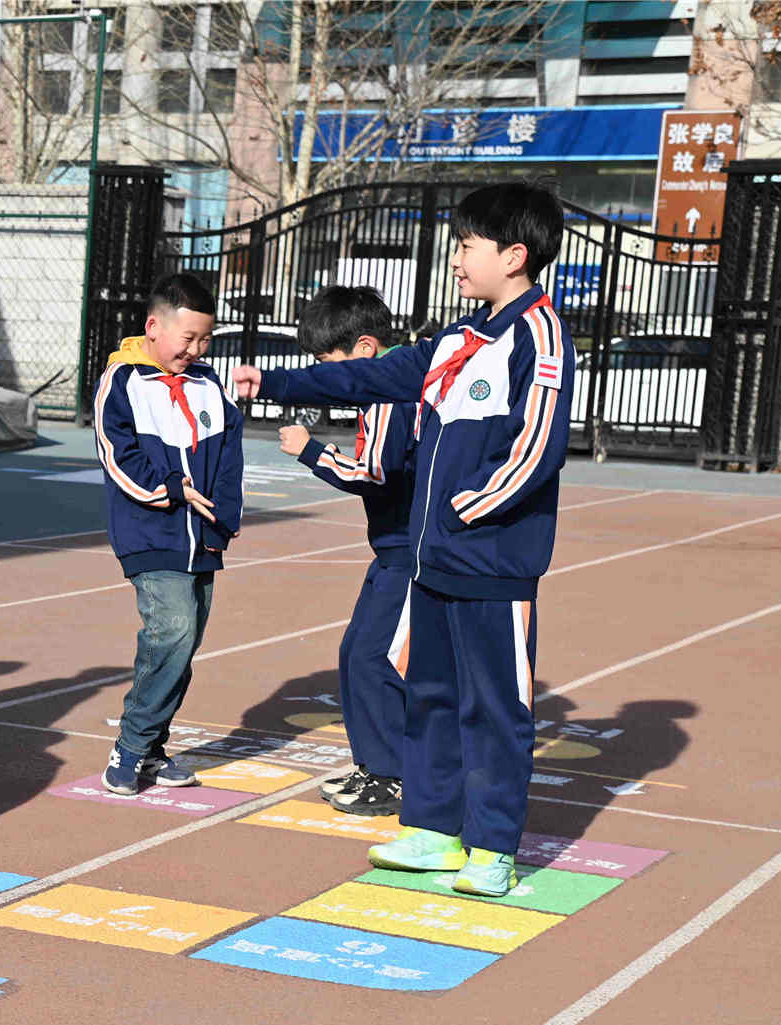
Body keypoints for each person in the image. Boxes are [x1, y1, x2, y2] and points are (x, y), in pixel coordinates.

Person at [234, 182, 573, 898]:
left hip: (490, 563)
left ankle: (491, 846)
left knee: (496, 707)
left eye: (466, 246)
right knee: (431, 698)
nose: (455, 259)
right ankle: (431, 829)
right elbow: (369, 375)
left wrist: (467, 508)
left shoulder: (538, 335)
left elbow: (538, 445)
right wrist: (275, 380)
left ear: (514, 256)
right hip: (430, 563)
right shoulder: (455, 339)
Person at [92, 272, 246, 796]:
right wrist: (170, 488)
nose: (196, 349)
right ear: (154, 327)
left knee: (183, 644)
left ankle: (152, 747)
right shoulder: (122, 381)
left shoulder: (210, 385)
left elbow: (229, 456)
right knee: (173, 631)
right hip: (150, 530)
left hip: (201, 538)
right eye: (188, 339)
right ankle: (131, 746)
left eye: (205, 339)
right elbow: (117, 455)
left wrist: (223, 518)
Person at [274, 285, 417, 818]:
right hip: (392, 549)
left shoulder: (387, 393)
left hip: (411, 552)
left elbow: (374, 475)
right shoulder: (384, 390)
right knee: (357, 652)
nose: (324, 378)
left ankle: (395, 774)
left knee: (373, 657)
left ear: (363, 350)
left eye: (327, 365)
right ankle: (377, 767)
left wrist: (312, 451)